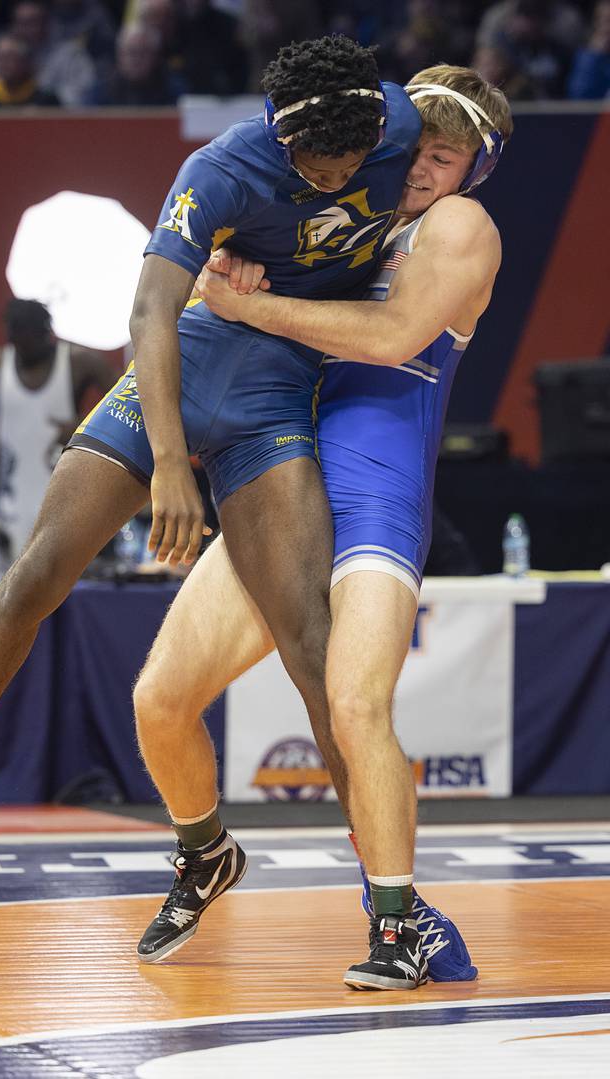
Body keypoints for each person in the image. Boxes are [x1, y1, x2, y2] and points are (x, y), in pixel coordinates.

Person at [0, 34, 420, 901]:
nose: (336, 176)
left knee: (314, 650)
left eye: (354, 160)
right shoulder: (225, 165)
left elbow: (465, 127)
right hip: (185, 365)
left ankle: (392, 899)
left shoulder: (401, 126)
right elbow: (151, 309)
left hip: (275, 400)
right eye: (319, 163)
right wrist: (168, 462)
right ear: (281, 134)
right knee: (38, 572)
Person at [133, 65, 511, 990]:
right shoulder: (357, 203)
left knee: (352, 706)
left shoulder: (459, 228)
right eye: (415, 146)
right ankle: (206, 849)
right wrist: (229, 273)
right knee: (161, 698)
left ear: (473, 170)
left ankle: (396, 919)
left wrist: (247, 301)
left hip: (376, 490)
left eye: (445, 157)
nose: (421, 168)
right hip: (284, 477)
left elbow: (389, 340)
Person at [0, 298, 115, 579]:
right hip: (8, 513)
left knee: (66, 593)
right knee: (8, 598)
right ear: (9, 334)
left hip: (68, 509)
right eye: (17, 337)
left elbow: (134, 409)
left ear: (46, 332)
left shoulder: (79, 363)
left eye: (30, 336)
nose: (23, 345)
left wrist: (88, 426)